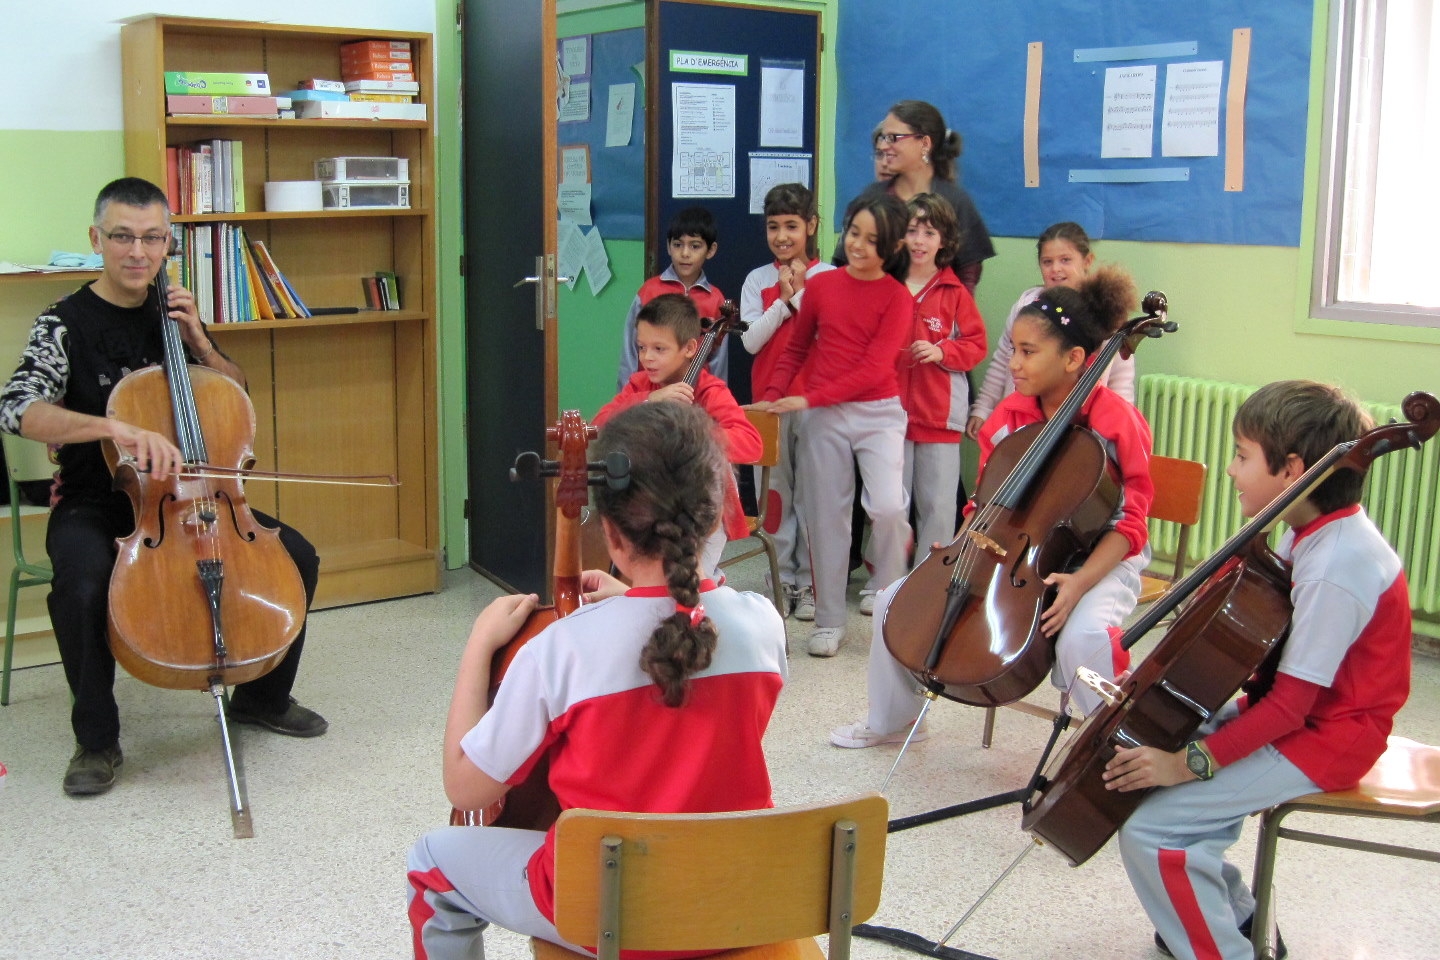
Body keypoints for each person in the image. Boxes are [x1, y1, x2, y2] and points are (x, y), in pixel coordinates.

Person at [406, 401, 787, 960]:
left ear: (610, 533)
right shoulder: (763, 623)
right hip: (734, 902)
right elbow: (688, 667)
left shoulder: (559, 650)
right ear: (714, 519)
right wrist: (636, 603)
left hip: (608, 917)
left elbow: (466, 790)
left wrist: (478, 647)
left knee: (430, 861)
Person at [0, 177, 325, 798]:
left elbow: (235, 393)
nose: (137, 252)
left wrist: (200, 340)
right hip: (98, 496)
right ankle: (97, 738)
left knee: (297, 555)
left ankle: (262, 698)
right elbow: (17, 409)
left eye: (152, 238)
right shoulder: (64, 323)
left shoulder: (175, 314)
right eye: (122, 236)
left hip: (196, 495)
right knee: (81, 582)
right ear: (96, 238)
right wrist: (111, 427)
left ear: (167, 242)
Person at [1106, 380, 1409, 960]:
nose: (1230, 470)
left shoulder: (1336, 563)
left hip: (1330, 738)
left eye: (1242, 456)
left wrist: (1184, 765)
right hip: (1306, 716)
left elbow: (1290, 708)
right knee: (1169, 742)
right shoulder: (1310, 533)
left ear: (1292, 470)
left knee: (1152, 832)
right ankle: (1238, 920)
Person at [829, 265, 1152, 747]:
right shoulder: (1007, 419)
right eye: (1014, 349)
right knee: (895, 602)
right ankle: (893, 722)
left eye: (1028, 352)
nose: (1013, 364)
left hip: (1101, 558)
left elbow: (1130, 525)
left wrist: (1080, 582)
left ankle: (1113, 746)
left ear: (1073, 359)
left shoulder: (1117, 421)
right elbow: (985, 505)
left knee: (1083, 637)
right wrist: (958, 548)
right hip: (1012, 552)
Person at [754, 193, 914, 658]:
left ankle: (891, 607)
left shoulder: (897, 298)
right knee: (826, 518)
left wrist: (811, 397)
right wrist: (772, 397)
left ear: (893, 246)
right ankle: (828, 621)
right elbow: (796, 350)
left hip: (878, 412)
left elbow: (874, 367)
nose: (859, 245)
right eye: (854, 233)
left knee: (889, 508)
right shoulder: (822, 286)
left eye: (872, 239)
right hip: (824, 417)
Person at [596, 293, 761, 578]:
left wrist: (691, 432)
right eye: (641, 347)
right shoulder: (640, 385)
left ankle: (706, 581)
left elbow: (751, 443)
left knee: (683, 579)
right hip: (653, 504)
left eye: (659, 348)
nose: (647, 357)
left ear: (690, 348)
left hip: (703, 509)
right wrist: (649, 400)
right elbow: (599, 426)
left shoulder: (710, 391)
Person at [738, 182, 835, 620]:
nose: (782, 236)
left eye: (792, 226)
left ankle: (813, 582)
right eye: (773, 226)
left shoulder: (830, 277)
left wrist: (801, 295)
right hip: (769, 404)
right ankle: (782, 579)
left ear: (811, 225)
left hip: (815, 404)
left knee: (814, 497)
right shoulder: (757, 280)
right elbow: (751, 342)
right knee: (774, 496)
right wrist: (783, 301)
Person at [966, 222, 1135, 440]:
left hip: (1083, 433)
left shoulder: (1106, 316)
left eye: (1065, 260)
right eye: (1047, 262)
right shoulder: (1026, 307)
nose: (1055, 269)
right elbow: (1001, 362)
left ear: (1087, 261)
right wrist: (983, 407)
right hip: (1023, 420)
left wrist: (1120, 428)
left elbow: (1121, 382)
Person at [891, 192, 987, 568]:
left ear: (944, 241)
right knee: (889, 505)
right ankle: (885, 579)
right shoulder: (885, 286)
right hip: (889, 417)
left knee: (938, 507)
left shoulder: (955, 293)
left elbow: (976, 345)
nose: (919, 241)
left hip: (940, 419)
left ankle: (929, 581)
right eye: (912, 230)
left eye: (929, 232)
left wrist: (942, 352)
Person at [837, 100, 995, 293]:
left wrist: (952, 308)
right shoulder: (872, 197)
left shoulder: (956, 201)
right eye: (884, 138)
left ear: (925, 144)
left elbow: (968, 272)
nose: (884, 146)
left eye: (893, 138)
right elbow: (844, 263)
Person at [617, 206, 725, 389]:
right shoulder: (648, 291)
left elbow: (718, 362)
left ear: (711, 250)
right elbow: (630, 351)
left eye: (695, 246)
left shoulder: (716, 300)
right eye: (677, 245)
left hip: (695, 392)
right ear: (668, 246)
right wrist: (627, 396)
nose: (685, 253)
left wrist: (716, 395)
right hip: (650, 388)